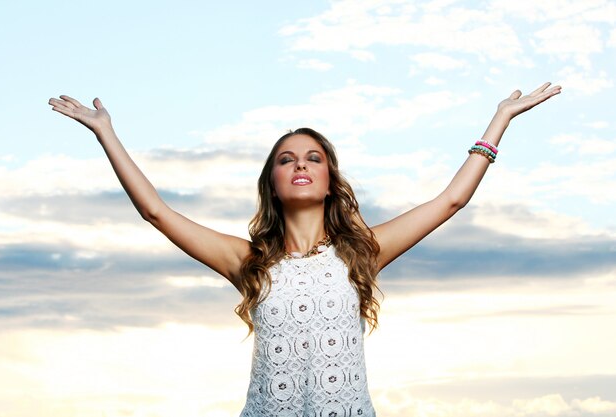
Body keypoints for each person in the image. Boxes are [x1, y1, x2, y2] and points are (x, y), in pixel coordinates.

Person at [48, 82, 561, 416]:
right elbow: (157, 212)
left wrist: (500, 119)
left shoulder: (361, 252)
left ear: (329, 177)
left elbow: (451, 199)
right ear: (272, 182)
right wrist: (105, 133)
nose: (300, 165)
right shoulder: (249, 262)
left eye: (313, 158)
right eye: (287, 159)